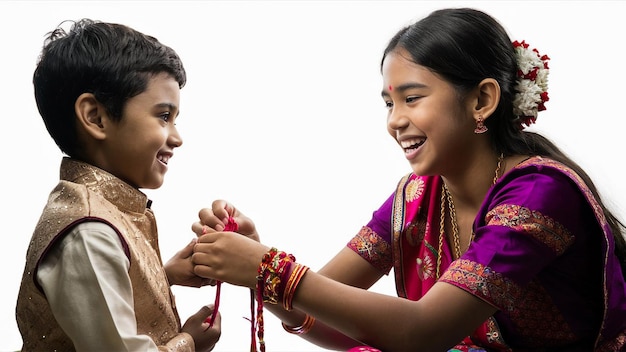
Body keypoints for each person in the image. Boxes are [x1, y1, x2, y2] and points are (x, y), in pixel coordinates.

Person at [189, 7, 626, 352]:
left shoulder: (541, 193)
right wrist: (257, 267)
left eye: (412, 98)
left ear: (482, 99)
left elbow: (423, 333)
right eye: (388, 104)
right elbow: (321, 312)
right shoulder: (417, 195)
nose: (396, 122)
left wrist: (268, 268)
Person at [15, 19, 220, 351]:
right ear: (95, 117)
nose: (177, 138)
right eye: (163, 116)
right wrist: (189, 342)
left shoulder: (97, 214)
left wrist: (162, 276)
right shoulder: (88, 231)